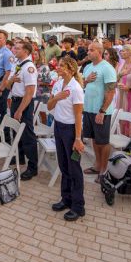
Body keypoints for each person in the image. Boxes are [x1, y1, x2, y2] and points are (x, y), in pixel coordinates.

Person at [47, 56, 85, 221]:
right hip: (58, 127)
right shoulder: (57, 84)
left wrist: (78, 138)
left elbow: (78, 115)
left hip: (71, 130)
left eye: (62, 66)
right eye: (58, 65)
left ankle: (78, 206)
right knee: (63, 165)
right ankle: (66, 198)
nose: (58, 67)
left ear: (70, 69)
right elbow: (49, 106)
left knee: (74, 168)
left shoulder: (75, 89)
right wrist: (56, 97)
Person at [82, 42, 117, 182]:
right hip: (88, 109)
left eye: (91, 50)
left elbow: (111, 91)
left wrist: (102, 111)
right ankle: (97, 165)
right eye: (88, 50)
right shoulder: (88, 67)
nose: (88, 52)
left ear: (99, 52)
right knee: (93, 139)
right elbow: (82, 85)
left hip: (101, 111)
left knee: (103, 141)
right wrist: (86, 80)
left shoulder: (107, 68)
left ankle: (104, 169)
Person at [7, 40, 39, 180]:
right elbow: (8, 85)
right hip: (15, 100)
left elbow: (30, 92)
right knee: (17, 132)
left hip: (24, 103)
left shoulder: (29, 67)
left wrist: (20, 110)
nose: (15, 50)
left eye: (18, 48)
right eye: (15, 48)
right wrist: (11, 81)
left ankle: (33, 167)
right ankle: (20, 158)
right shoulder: (17, 65)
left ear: (26, 51)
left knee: (28, 135)